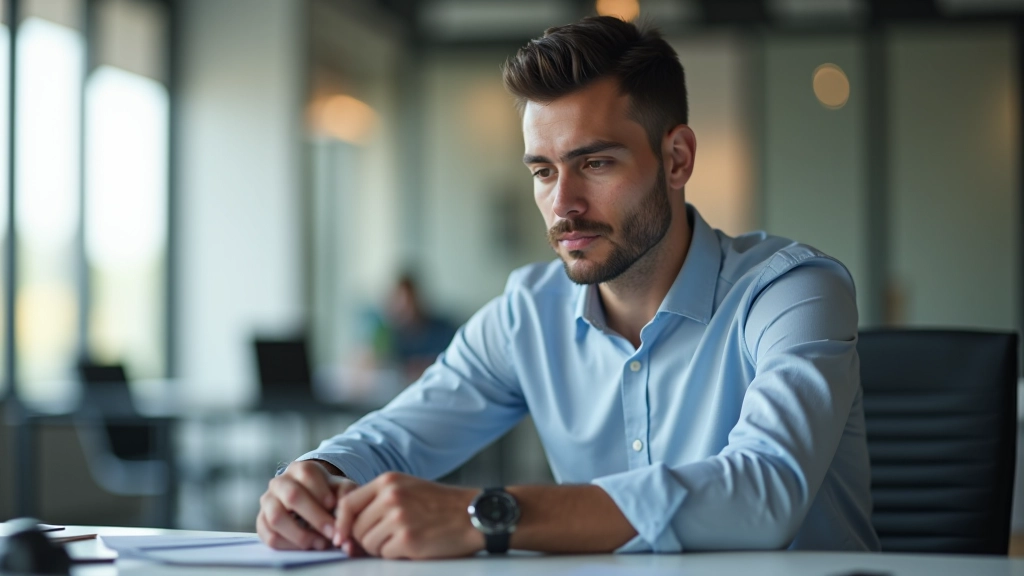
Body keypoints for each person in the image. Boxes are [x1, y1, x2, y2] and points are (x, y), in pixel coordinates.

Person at [257, 16, 880, 558]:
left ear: (677, 160)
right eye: (543, 171)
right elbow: (395, 437)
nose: (564, 206)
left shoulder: (793, 292)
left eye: (595, 163)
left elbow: (764, 491)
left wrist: (488, 515)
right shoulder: (528, 313)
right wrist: (315, 475)